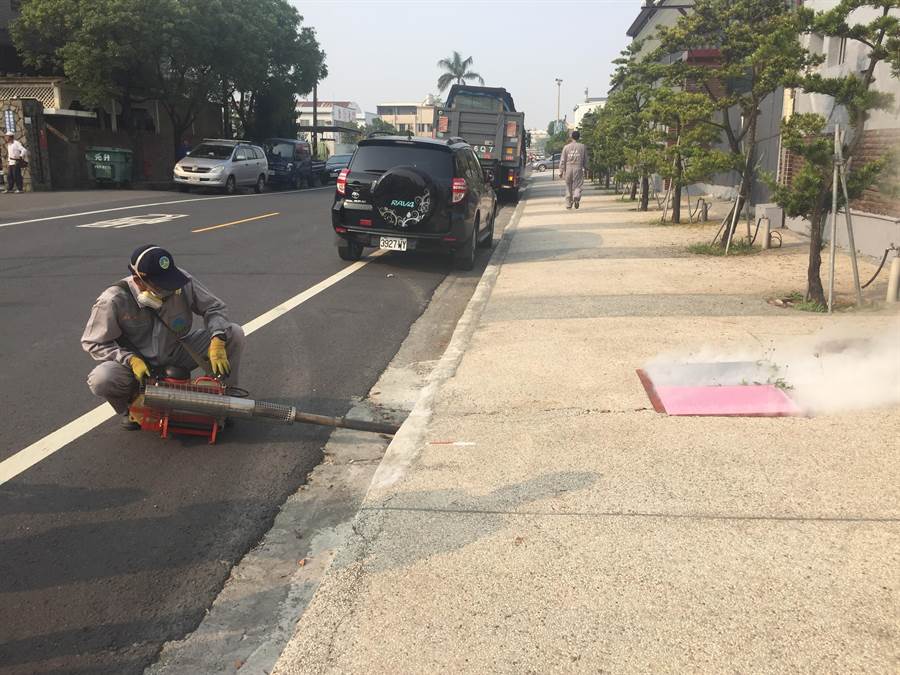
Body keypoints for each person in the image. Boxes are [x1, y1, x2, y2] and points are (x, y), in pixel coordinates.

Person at [82, 245, 245, 429]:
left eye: (170, 283)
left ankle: (224, 403)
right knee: (102, 378)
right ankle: (131, 407)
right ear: (139, 280)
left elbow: (214, 307)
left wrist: (217, 339)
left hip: (176, 350)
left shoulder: (182, 282)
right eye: (161, 286)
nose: (169, 290)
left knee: (234, 333)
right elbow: (93, 342)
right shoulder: (114, 299)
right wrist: (130, 360)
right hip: (138, 365)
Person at [558, 130, 588, 209]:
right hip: (578, 168)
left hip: (568, 168)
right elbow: (585, 159)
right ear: (579, 137)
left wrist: (561, 171)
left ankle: (568, 204)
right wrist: (586, 168)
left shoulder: (566, 147)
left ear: (571, 137)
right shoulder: (582, 147)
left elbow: (562, 160)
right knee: (578, 185)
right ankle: (576, 196)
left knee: (568, 186)